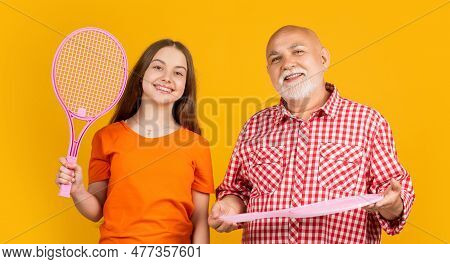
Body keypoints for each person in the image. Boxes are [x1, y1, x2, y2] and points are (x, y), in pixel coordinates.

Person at [208, 25, 415, 243]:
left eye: (298, 51)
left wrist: (392, 204)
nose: (287, 64)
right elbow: (237, 190)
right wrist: (229, 208)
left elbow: (392, 199)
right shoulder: (254, 126)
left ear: (323, 58)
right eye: (276, 59)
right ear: (268, 70)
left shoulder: (368, 122)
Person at [56, 39, 214, 244]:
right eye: (158, 67)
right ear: (141, 76)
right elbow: (96, 211)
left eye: (178, 73)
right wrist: (77, 190)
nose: (167, 78)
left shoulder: (197, 146)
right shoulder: (106, 137)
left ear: (185, 86)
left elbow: (200, 221)